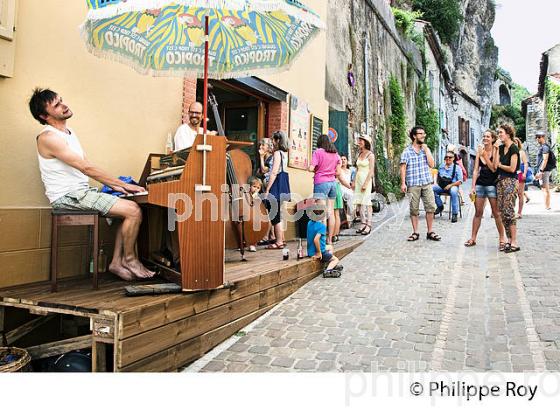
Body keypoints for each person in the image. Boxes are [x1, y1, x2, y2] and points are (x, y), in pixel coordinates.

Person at [29, 88, 155, 281]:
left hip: (82, 191)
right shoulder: (48, 137)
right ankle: (130, 260)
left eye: (62, 100)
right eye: (57, 105)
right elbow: (86, 167)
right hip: (68, 196)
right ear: (44, 116)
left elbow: (85, 166)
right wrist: (122, 184)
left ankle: (115, 263)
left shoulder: (69, 133)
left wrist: (117, 187)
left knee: (127, 207)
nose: (64, 105)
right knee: (133, 210)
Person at [464, 130, 506, 248]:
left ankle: (502, 239)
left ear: (493, 139)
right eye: (484, 136)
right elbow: (476, 170)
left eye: (488, 136)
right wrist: (472, 187)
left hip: (492, 185)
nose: (485, 138)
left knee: (496, 213)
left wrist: (483, 155)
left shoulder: (496, 150)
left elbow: (493, 168)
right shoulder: (479, 151)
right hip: (480, 184)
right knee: (478, 212)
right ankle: (473, 238)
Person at [400, 126, 439, 241]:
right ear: (414, 136)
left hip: (426, 183)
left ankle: (430, 231)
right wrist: (403, 183)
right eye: (421, 134)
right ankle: (415, 232)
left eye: (424, 133)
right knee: (414, 209)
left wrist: (426, 150)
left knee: (431, 207)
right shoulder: (407, 151)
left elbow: (432, 165)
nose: (423, 135)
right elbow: (403, 168)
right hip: (413, 184)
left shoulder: (425, 150)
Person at [309, 134, 342, 243]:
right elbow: (338, 172)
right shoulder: (335, 154)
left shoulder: (317, 152)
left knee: (321, 213)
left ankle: (321, 239)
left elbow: (311, 168)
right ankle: (329, 240)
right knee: (331, 212)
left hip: (321, 183)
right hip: (333, 183)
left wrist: (311, 168)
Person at [494, 124, 520, 253]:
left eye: (501, 133)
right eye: (498, 133)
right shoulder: (501, 148)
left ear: (508, 134)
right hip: (500, 181)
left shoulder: (514, 148)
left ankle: (514, 241)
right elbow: (495, 166)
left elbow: (512, 168)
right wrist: (495, 148)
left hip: (511, 181)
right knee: (501, 212)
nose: (499, 135)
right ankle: (509, 239)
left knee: (509, 210)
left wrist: (500, 165)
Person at [264, 131, 291, 249]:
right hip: (283, 183)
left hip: (276, 184)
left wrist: (267, 189)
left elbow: (274, 172)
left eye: (273, 140)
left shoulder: (277, 154)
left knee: (274, 214)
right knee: (276, 212)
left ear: (278, 140)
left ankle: (279, 241)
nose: (272, 142)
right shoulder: (285, 154)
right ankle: (281, 239)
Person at [306, 200, 341, 278]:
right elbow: (316, 240)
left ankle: (328, 263)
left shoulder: (309, 223)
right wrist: (319, 252)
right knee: (335, 260)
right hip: (319, 251)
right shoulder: (321, 227)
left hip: (310, 250)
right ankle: (328, 270)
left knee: (330, 247)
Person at [352, 134, 375, 235]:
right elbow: (357, 169)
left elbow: (371, 171)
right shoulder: (359, 154)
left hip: (366, 180)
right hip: (358, 181)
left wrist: (365, 183)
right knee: (359, 202)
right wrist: (353, 181)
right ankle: (363, 222)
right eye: (359, 140)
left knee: (367, 202)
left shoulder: (370, 155)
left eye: (361, 141)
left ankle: (368, 225)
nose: (359, 142)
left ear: (366, 143)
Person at [432, 151, 463, 223]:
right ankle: (440, 206)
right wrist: (437, 183)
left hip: (453, 185)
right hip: (442, 186)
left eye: (450, 157)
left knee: (454, 191)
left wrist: (450, 185)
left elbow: (460, 181)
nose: (448, 158)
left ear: (453, 158)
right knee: (431, 189)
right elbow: (438, 177)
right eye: (446, 157)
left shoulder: (457, 168)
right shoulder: (441, 166)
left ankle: (454, 213)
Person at [535, 131, 556, 210]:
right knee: (543, 188)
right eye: (537, 137)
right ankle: (546, 205)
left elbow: (545, 160)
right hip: (543, 170)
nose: (537, 139)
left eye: (538, 137)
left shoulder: (545, 147)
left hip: (544, 170)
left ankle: (547, 206)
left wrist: (540, 171)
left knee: (545, 188)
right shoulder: (543, 146)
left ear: (542, 137)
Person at [514, 137, 530, 218]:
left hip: (519, 174)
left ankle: (519, 213)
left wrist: (524, 174)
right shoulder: (508, 152)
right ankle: (511, 211)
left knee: (520, 194)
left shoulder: (521, 152)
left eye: (516, 142)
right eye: (513, 142)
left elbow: (526, 163)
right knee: (512, 194)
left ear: (518, 143)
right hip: (510, 175)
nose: (514, 143)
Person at [247, 176, 263, 252]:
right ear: (249, 186)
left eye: (258, 187)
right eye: (254, 186)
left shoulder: (257, 196)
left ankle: (252, 244)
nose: (256, 189)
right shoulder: (246, 194)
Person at [338, 155, 355, 227]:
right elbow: (341, 181)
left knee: (355, 196)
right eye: (341, 159)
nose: (343, 160)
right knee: (351, 196)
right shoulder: (339, 170)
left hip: (349, 188)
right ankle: (349, 218)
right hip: (341, 188)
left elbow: (352, 181)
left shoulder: (350, 171)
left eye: (345, 159)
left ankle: (352, 216)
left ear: (347, 161)